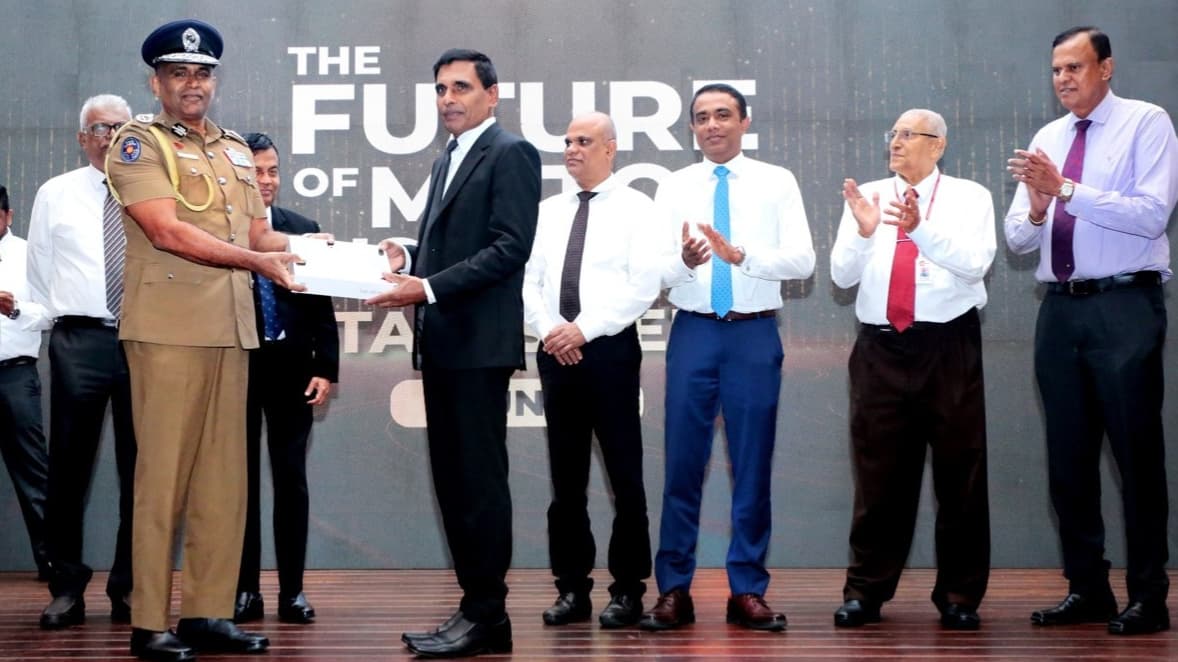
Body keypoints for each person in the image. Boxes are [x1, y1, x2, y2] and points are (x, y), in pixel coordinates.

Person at [106, 19, 302, 662]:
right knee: (162, 480)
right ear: (156, 81)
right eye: (180, 73)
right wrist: (260, 263)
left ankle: (209, 613)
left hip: (230, 331)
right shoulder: (138, 143)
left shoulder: (236, 150)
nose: (194, 84)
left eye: (203, 73)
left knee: (224, 481)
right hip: (168, 332)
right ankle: (149, 622)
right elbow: (168, 231)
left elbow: (259, 238)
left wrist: (330, 252)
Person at [1005, 25, 1178, 636]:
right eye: (1056, 70)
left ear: (1106, 68)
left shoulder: (1146, 123)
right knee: (1068, 461)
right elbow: (1018, 240)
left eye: (1075, 67)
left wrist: (1066, 189)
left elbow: (1152, 213)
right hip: (1060, 310)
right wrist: (1035, 204)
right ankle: (1088, 588)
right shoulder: (1048, 137)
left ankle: (1149, 596)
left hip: (1123, 307)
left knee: (1136, 456)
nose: (1063, 80)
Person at [367, 48, 540, 658]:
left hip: (477, 349)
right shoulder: (448, 157)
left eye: (461, 87)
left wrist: (428, 287)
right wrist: (409, 259)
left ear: (492, 95)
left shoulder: (511, 152)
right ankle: (475, 609)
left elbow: (508, 247)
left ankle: (489, 616)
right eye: (440, 89)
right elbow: (455, 248)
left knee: (479, 486)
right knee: (456, 486)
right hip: (443, 348)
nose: (448, 99)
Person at [639, 83, 815, 632]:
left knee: (752, 464)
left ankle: (747, 589)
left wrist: (744, 257)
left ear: (744, 120)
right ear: (691, 128)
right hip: (694, 332)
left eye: (722, 115)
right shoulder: (674, 186)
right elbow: (653, 272)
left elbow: (804, 261)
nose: (712, 125)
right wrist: (686, 262)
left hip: (753, 335)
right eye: (701, 118)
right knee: (682, 466)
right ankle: (673, 590)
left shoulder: (776, 181)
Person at [830, 109, 995, 630]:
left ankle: (959, 596)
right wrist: (862, 233)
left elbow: (975, 263)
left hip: (947, 345)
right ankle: (866, 592)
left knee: (960, 474)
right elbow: (840, 274)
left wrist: (920, 231)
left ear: (938, 145)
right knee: (878, 475)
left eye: (908, 135)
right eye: (893, 134)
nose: (896, 143)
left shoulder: (970, 196)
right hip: (880, 348)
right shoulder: (869, 194)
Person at [522, 112, 658, 629]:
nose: (572, 149)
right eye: (568, 140)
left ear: (611, 148)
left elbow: (642, 284)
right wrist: (553, 330)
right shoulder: (547, 211)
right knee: (567, 480)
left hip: (609, 352)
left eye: (584, 141)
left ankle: (627, 590)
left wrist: (585, 329)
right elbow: (528, 282)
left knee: (626, 478)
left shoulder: (637, 209)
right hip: (556, 353)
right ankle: (572, 589)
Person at [26, 94, 137, 629]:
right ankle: (66, 586)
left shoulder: (154, 187)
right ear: (81, 137)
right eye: (100, 127)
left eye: (121, 126)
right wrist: (64, 318)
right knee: (68, 469)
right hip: (79, 341)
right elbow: (39, 274)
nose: (111, 135)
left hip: (146, 339)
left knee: (144, 469)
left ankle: (131, 587)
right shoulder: (55, 194)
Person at [233, 132, 338, 626]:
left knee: (291, 482)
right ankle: (244, 592)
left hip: (293, 373)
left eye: (273, 170)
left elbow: (321, 306)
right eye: (256, 171)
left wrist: (325, 367)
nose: (267, 180)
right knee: (239, 486)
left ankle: (292, 592)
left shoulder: (304, 228)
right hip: (236, 369)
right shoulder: (222, 232)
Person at [0, 185, 52, 587]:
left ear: (9, 216)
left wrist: (14, 308)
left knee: (33, 473)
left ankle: (51, 562)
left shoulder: (28, 253)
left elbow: (50, 313)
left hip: (14, 374)